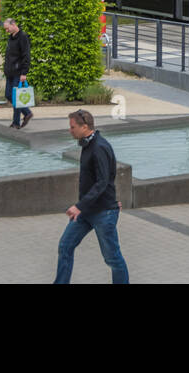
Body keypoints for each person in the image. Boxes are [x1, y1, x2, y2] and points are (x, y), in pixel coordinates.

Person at [54, 109, 128, 284]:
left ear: (84, 126)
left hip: (103, 213)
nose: (70, 130)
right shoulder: (88, 145)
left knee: (112, 258)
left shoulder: (99, 147)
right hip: (86, 212)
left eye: (72, 127)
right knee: (65, 246)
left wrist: (79, 206)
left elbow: (103, 182)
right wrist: (82, 207)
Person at [2, 18, 34, 129]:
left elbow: (26, 56)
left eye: (7, 28)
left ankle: (16, 123)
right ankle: (27, 112)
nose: (6, 31)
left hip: (18, 72)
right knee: (8, 95)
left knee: (16, 98)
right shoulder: (11, 37)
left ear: (14, 24)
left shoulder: (23, 37)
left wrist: (24, 73)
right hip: (9, 72)